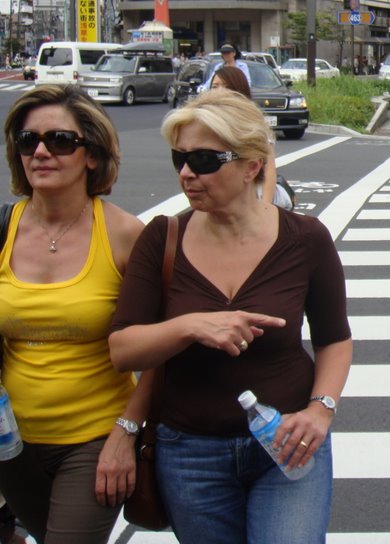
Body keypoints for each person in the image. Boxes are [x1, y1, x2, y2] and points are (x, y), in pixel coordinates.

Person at [108, 89, 352, 544]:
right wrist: (191, 325)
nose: (186, 173)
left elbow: (334, 339)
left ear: (251, 166)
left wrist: (321, 411)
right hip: (189, 452)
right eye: (179, 158)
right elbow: (123, 349)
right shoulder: (162, 238)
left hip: (287, 442)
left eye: (203, 160)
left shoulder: (305, 239)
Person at [0, 84, 149, 544]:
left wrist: (127, 433)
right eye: (29, 142)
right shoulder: (2, 228)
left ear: (91, 155)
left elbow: (159, 354)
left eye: (60, 141)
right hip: (9, 439)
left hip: (92, 440)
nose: (41, 152)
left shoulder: (126, 236)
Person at [209, 66, 291, 210]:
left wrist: (265, 207)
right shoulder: (205, 123)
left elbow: (268, 168)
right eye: (215, 87)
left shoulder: (253, 122)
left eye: (226, 86)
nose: (219, 91)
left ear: (239, 90)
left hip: (251, 199)